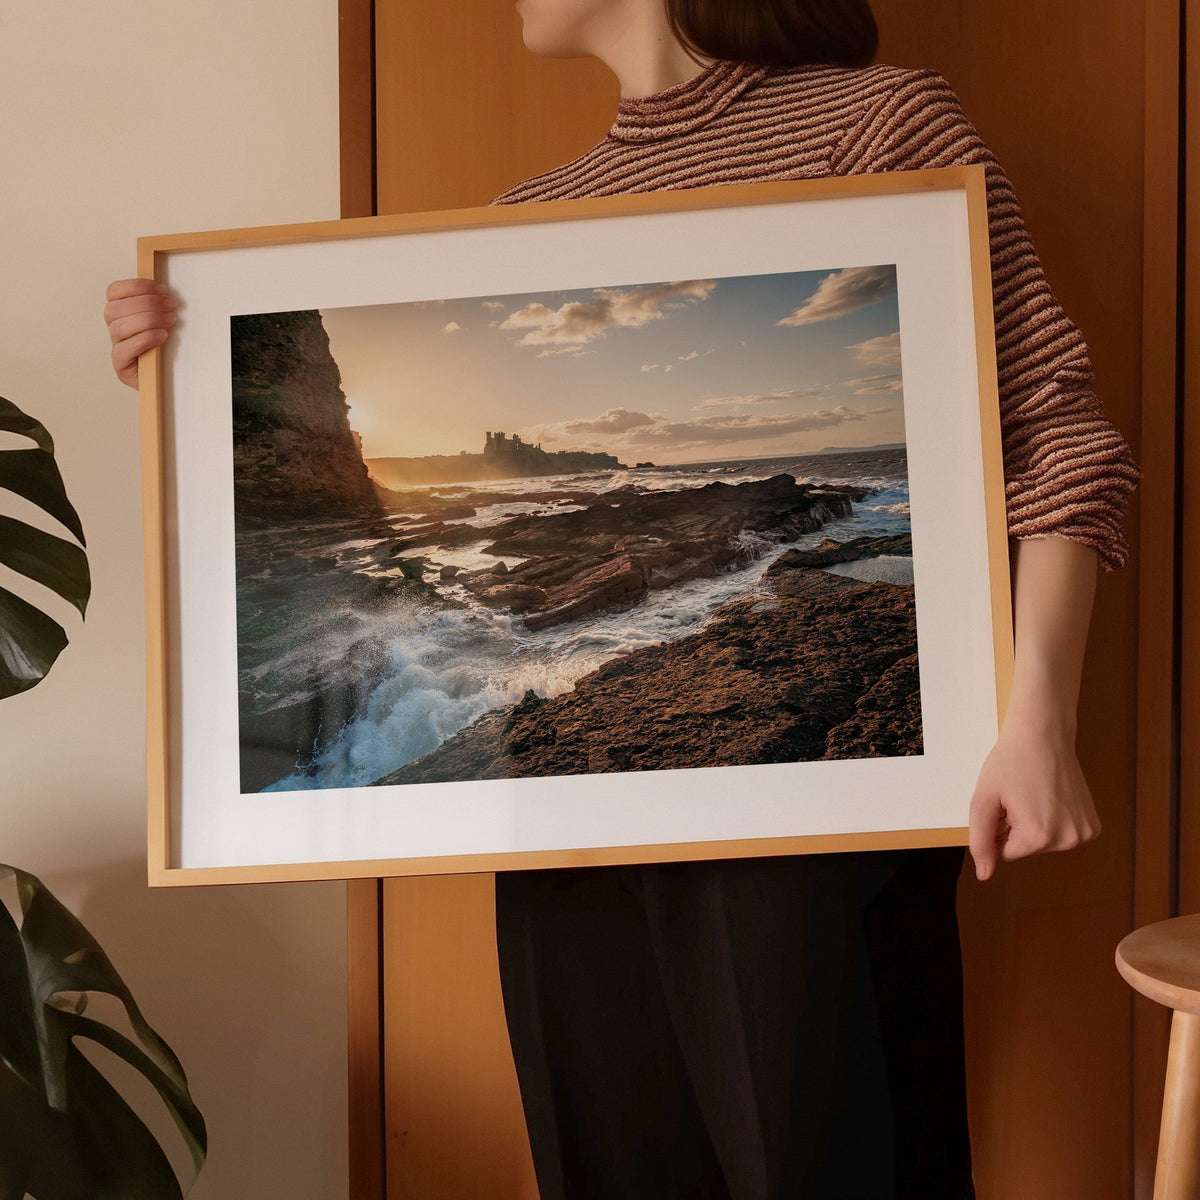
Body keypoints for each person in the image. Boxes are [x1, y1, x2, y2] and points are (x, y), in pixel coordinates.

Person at [105, 2, 1139, 1196]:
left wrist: (1038, 722)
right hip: (563, 821)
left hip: (818, 813)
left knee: (838, 1161)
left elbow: (1054, 438)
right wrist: (196, 372)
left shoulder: (877, 121)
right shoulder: (532, 217)